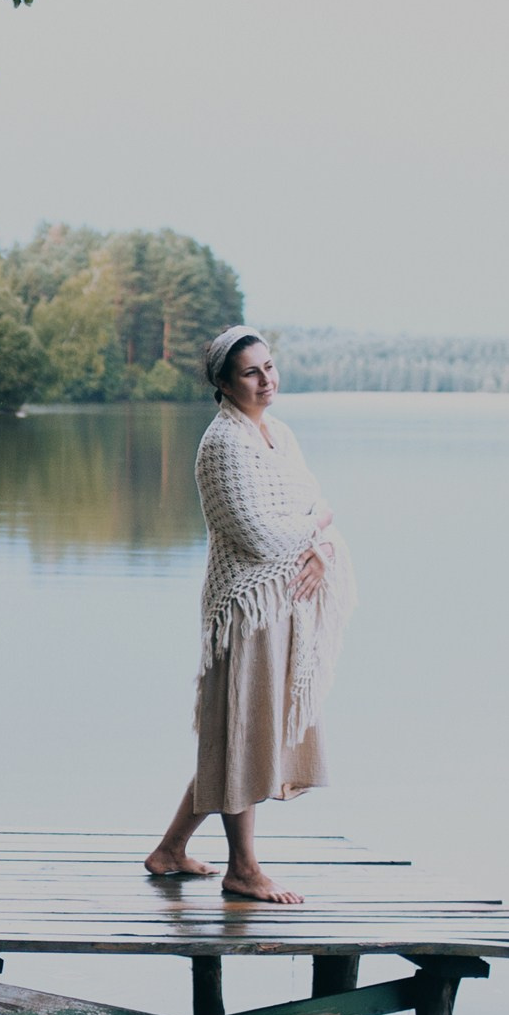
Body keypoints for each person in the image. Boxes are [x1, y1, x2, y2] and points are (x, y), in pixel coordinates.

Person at [145, 326, 353, 907]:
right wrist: (316, 530)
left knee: (237, 734)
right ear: (224, 383)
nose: (266, 380)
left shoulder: (278, 435)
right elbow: (261, 536)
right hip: (247, 609)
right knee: (241, 733)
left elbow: (310, 504)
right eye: (251, 373)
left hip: (285, 605)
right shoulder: (223, 446)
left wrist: (321, 546)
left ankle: (169, 851)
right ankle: (244, 869)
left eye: (269, 366)